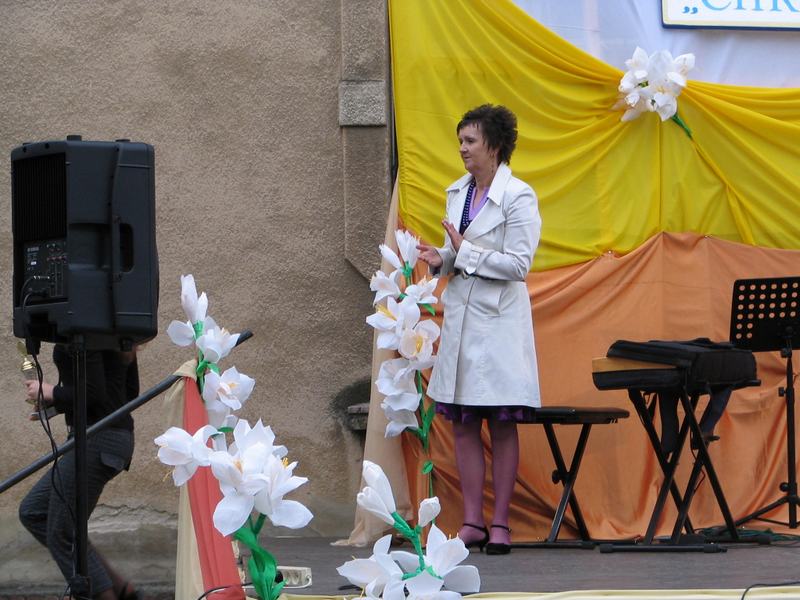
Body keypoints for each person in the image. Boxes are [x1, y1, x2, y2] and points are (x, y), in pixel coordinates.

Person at [417, 104, 542, 555]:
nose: (462, 149)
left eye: (470, 141)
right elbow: (460, 251)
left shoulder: (519, 197)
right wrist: (442, 258)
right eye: (460, 141)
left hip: (500, 325)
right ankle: (472, 521)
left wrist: (464, 253)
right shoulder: (458, 192)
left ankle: (501, 523)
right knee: (465, 424)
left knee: (501, 424)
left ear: (494, 146)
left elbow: (518, 265)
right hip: (463, 321)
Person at [19, 345, 145, 599]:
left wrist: (52, 391)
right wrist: (58, 403)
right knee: (34, 512)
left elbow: (94, 395)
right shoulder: (115, 331)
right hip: (106, 436)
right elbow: (126, 393)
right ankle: (122, 589)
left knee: (62, 533)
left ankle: (103, 595)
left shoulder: (85, 329)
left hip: (98, 439)